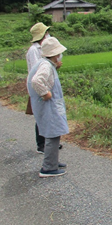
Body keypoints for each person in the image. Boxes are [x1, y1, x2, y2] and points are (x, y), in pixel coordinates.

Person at [27, 37, 69, 178]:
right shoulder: (45, 66)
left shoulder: (45, 63)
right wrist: (46, 94)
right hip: (48, 105)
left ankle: (53, 161)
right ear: (54, 54)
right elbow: (37, 81)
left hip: (48, 106)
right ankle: (49, 168)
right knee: (52, 133)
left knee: (53, 132)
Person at [26, 22, 60, 154]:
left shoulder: (41, 48)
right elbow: (39, 71)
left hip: (44, 85)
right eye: (46, 33)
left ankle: (50, 143)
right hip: (39, 87)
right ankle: (41, 144)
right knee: (41, 115)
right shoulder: (34, 50)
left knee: (48, 115)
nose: (48, 34)